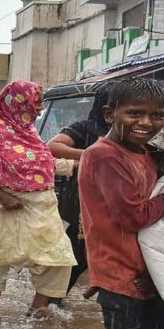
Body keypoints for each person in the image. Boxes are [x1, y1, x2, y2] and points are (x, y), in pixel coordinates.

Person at [28, 78, 164, 329]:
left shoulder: (147, 153)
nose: (146, 123)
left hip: (158, 271)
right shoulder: (103, 155)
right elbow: (134, 215)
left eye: (157, 115)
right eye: (135, 113)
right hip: (122, 274)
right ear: (109, 113)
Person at [0, 80, 76, 320]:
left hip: (40, 207)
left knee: (58, 258)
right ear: (19, 101)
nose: (39, 109)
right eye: (36, 102)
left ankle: (35, 314)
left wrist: (75, 165)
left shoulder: (30, 133)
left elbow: (41, 166)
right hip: (0, 205)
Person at [47, 82, 115, 295]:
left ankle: (54, 296)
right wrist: (89, 155)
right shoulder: (86, 128)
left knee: (102, 251)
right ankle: (50, 298)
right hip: (79, 199)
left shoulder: (129, 133)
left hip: (112, 200)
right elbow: (53, 146)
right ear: (106, 108)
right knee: (76, 252)